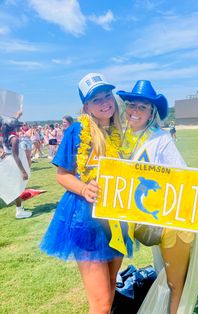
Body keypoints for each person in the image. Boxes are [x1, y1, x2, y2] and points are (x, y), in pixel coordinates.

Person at [40, 73, 133, 314]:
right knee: (100, 304)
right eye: (96, 99)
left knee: (112, 286)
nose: (105, 102)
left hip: (116, 218)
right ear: (86, 106)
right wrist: (83, 188)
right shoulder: (77, 131)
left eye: (107, 96)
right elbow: (61, 174)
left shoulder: (117, 132)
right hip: (85, 219)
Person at [117, 80, 198, 314]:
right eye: (131, 105)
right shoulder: (122, 138)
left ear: (151, 113)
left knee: (173, 282)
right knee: (163, 270)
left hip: (169, 219)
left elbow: (185, 175)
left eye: (142, 107)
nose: (135, 111)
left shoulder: (160, 139)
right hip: (146, 217)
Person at [0, 117, 32, 219]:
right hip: (14, 164)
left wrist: (3, 151)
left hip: (9, 162)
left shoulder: (5, 136)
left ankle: (20, 208)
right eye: (18, 126)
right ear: (14, 127)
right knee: (17, 188)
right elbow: (16, 156)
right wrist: (23, 171)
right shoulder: (14, 139)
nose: (19, 127)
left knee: (16, 186)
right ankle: (19, 211)